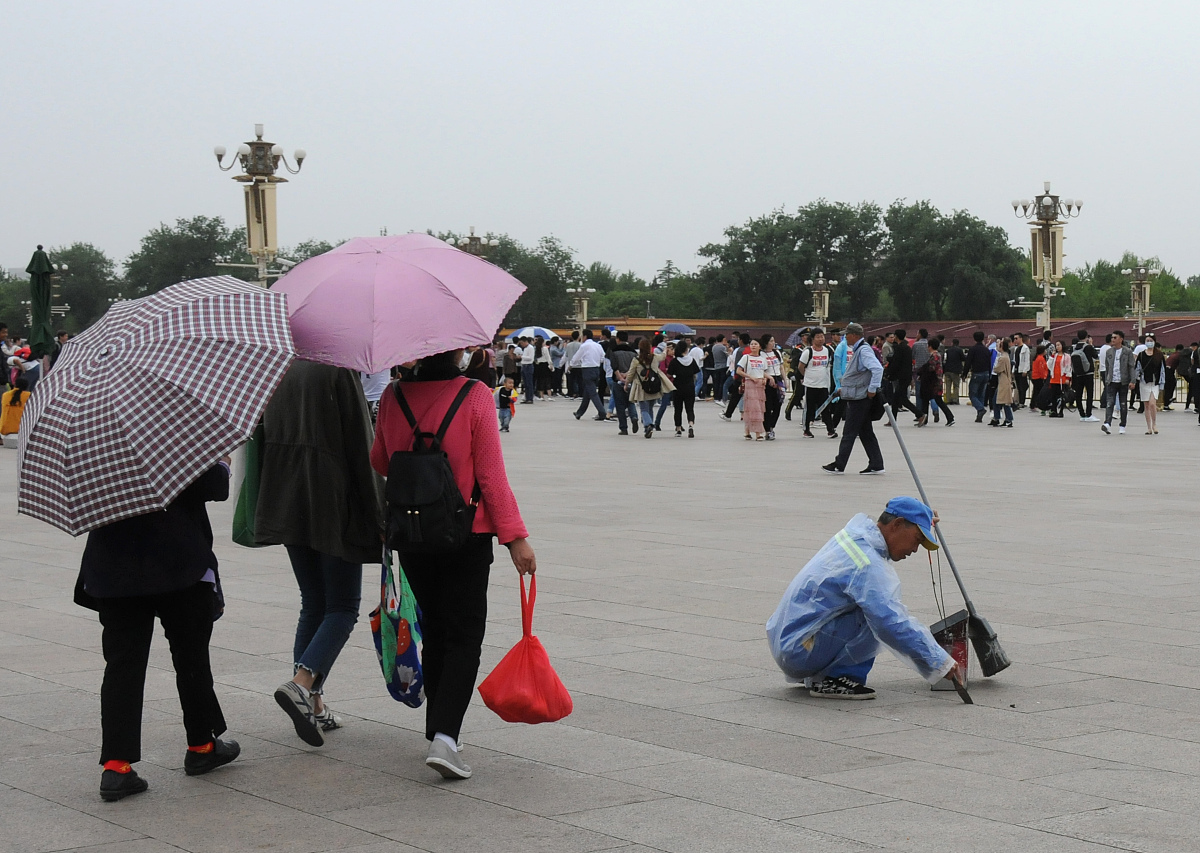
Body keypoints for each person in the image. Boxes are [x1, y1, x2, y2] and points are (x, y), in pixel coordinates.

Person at [371, 349, 535, 780]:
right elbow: (492, 475)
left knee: (437, 630)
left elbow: (380, 461)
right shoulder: (476, 394)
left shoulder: (392, 396)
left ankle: (440, 731)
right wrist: (515, 538)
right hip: (467, 533)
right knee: (464, 634)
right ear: (458, 350)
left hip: (414, 533)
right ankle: (445, 736)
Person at [77, 461, 239, 801]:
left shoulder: (96, 436)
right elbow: (216, 487)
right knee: (191, 656)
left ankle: (116, 767)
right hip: (178, 560)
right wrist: (222, 462)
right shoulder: (172, 427)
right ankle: (201, 745)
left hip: (113, 566)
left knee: (122, 666)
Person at [256, 360, 385, 747]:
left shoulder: (277, 368)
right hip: (331, 501)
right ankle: (302, 683)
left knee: (312, 602)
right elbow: (363, 448)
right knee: (342, 606)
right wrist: (378, 511)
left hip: (288, 497)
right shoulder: (337, 369)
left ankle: (313, 705)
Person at [765, 496, 960, 700]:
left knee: (873, 604)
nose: (914, 549)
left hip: (792, 641)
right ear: (897, 524)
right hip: (800, 649)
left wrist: (922, 517)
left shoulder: (856, 537)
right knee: (876, 612)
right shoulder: (867, 563)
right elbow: (891, 621)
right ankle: (836, 679)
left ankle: (824, 672)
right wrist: (939, 662)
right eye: (917, 540)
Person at [824, 323, 885, 475]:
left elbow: (877, 369)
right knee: (866, 432)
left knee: (849, 432)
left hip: (860, 398)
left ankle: (839, 464)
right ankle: (876, 463)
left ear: (855, 335)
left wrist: (872, 389)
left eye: (847, 334)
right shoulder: (859, 349)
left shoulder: (863, 350)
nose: (845, 337)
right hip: (857, 395)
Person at [626, 338, 674, 439]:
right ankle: (649, 426)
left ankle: (648, 425)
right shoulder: (654, 357)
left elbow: (631, 373)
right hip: (654, 386)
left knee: (643, 408)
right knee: (650, 408)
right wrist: (665, 349)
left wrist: (626, 383)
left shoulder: (636, 360)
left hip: (641, 387)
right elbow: (663, 356)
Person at [798, 330, 837, 439]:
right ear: (813, 339)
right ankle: (806, 430)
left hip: (824, 384)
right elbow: (801, 366)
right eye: (818, 337)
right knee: (809, 408)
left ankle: (830, 430)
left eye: (822, 337)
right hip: (811, 385)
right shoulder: (808, 352)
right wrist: (807, 376)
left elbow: (830, 365)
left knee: (825, 408)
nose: (821, 339)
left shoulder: (828, 351)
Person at [1102, 331, 1136, 435]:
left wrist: (1132, 380)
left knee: (1123, 404)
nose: (1113, 339)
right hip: (1112, 381)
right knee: (1109, 403)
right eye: (1112, 337)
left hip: (1123, 381)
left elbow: (1131, 367)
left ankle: (1122, 425)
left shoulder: (1127, 351)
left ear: (1121, 339)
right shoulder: (1109, 352)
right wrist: (1107, 379)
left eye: (1115, 338)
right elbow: (1107, 367)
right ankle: (1107, 423)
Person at [736, 338, 769, 440]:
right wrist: (750, 377)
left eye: (755, 344)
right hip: (750, 384)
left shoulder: (763, 359)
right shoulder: (746, 357)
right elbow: (739, 371)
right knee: (753, 408)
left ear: (760, 346)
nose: (753, 346)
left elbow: (762, 371)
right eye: (751, 344)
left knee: (758, 407)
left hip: (760, 385)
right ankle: (757, 433)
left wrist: (765, 379)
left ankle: (748, 432)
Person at [666, 338, 700, 437]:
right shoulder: (691, 360)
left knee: (678, 409)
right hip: (690, 386)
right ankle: (691, 425)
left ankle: (678, 429)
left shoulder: (674, 361)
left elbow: (669, 375)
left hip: (678, 387)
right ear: (686, 349)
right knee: (690, 408)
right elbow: (695, 374)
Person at [570, 329, 606, 421]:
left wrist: (571, 365)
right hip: (596, 369)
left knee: (593, 393)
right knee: (587, 392)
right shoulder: (598, 345)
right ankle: (579, 413)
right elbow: (603, 358)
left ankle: (602, 412)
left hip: (587, 370)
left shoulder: (584, 346)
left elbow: (576, 357)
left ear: (585, 336)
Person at [917, 339, 954, 427]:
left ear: (930, 346)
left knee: (937, 400)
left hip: (934, 382)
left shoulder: (935, 356)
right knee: (927, 400)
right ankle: (925, 419)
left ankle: (950, 417)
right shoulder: (937, 355)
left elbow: (931, 369)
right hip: (935, 381)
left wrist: (922, 371)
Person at [1136, 336, 1166, 434]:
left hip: (1155, 383)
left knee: (1153, 403)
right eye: (1147, 341)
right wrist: (1136, 378)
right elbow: (1137, 369)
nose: (1149, 342)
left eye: (1151, 341)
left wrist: (1162, 383)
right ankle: (1148, 427)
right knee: (1146, 405)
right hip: (1144, 382)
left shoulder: (1159, 355)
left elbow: (1162, 370)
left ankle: (1154, 424)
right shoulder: (1141, 355)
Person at [1070, 331, 1099, 422]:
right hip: (1088, 373)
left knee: (1079, 394)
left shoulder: (1074, 348)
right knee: (1089, 394)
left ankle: (1081, 414)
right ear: (1087, 337)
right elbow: (1096, 356)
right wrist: (1090, 344)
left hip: (1078, 374)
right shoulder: (1088, 347)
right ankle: (1089, 414)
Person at [966, 331, 992, 422]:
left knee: (972, 394)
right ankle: (979, 415)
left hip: (977, 373)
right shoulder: (986, 350)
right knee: (981, 394)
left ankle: (980, 409)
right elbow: (989, 363)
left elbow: (968, 362)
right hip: (986, 373)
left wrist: (964, 374)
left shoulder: (973, 349)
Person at [989, 338, 1014, 427]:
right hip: (1003, 381)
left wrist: (995, 367)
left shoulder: (1002, 358)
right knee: (997, 400)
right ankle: (997, 418)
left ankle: (1008, 419)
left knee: (1004, 401)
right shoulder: (1005, 356)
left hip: (1003, 382)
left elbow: (997, 369)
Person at [1047, 341, 1071, 418]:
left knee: (1062, 395)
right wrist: (1052, 356)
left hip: (1062, 378)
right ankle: (1054, 410)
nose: (1057, 347)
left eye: (1058, 345)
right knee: (1053, 395)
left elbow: (1068, 367)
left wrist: (1068, 378)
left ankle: (1061, 411)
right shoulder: (1055, 356)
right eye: (1056, 345)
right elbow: (1049, 365)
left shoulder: (1066, 356)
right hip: (1054, 378)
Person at [942, 338, 964, 405]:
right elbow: (963, 358)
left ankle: (948, 400)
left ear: (952, 343)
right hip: (956, 370)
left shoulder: (948, 350)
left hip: (947, 369)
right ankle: (955, 399)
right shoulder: (960, 350)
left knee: (948, 385)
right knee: (956, 386)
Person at [1011, 334, 1031, 409]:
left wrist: (1025, 370)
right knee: (1018, 387)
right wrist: (1013, 370)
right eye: (1014, 338)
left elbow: (1026, 360)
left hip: (1022, 370)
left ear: (1020, 338)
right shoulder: (1016, 348)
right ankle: (1019, 401)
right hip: (1016, 369)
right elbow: (1014, 360)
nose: (1015, 340)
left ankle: (1022, 402)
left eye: (1016, 338)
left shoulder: (1025, 348)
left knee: (1023, 386)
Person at [1030, 345, 1049, 414]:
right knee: (1039, 392)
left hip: (1035, 376)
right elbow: (1041, 369)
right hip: (1039, 377)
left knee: (1035, 391)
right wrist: (1044, 377)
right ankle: (1036, 404)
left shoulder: (1037, 358)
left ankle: (1033, 404)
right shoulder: (1040, 359)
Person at [519, 337, 536, 403]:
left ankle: (530, 398)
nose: (521, 345)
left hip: (528, 366)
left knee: (529, 383)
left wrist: (522, 356)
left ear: (525, 341)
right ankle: (527, 397)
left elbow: (530, 358)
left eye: (522, 343)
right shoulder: (525, 349)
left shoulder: (530, 348)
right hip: (524, 365)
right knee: (525, 384)